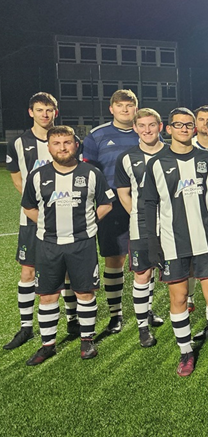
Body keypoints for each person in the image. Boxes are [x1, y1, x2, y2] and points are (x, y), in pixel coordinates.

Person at [143, 107, 208, 376]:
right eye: (179, 125)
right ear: (168, 128)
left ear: (195, 129)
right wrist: (153, 243)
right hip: (173, 243)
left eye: (189, 125)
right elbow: (149, 205)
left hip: (206, 241)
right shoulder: (157, 164)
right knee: (179, 298)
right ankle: (186, 353)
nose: (184, 129)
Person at [22, 125, 115, 365]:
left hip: (81, 244)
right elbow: (29, 207)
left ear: (76, 144)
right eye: (57, 143)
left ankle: (86, 340)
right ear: (49, 147)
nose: (62, 148)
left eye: (67, 142)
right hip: (48, 245)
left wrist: (89, 222)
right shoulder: (38, 176)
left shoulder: (92, 173)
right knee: (47, 295)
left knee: (85, 292)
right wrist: (46, 225)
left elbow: (106, 203)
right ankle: (48, 345)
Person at [4, 92, 80, 350]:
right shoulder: (19, 142)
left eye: (49, 110)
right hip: (32, 219)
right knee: (28, 271)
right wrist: (34, 204)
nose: (44, 114)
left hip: (66, 214)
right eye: (39, 110)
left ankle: (73, 319)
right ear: (31, 112)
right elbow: (16, 177)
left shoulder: (67, 141)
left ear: (55, 112)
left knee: (68, 269)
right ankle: (26, 327)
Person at [82, 89, 141, 334]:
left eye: (129, 105)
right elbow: (88, 174)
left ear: (136, 108)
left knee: (145, 260)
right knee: (114, 259)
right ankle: (116, 314)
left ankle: (145, 310)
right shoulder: (97, 136)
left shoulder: (145, 132)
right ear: (112, 109)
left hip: (143, 204)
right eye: (121, 106)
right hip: (112, 206)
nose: (125, 110)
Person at [114, 108, 167, 348]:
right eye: (142, 126)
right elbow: (123, 193)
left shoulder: (171, 152)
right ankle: (142, 327)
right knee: (142, 273)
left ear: (160, 126)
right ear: (135, 128)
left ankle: (154, 311)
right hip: (140, 226)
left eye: (151, 125)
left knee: (173, 273)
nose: (147, 130)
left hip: (170, 224)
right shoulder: (126, 158)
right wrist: (138, 215)